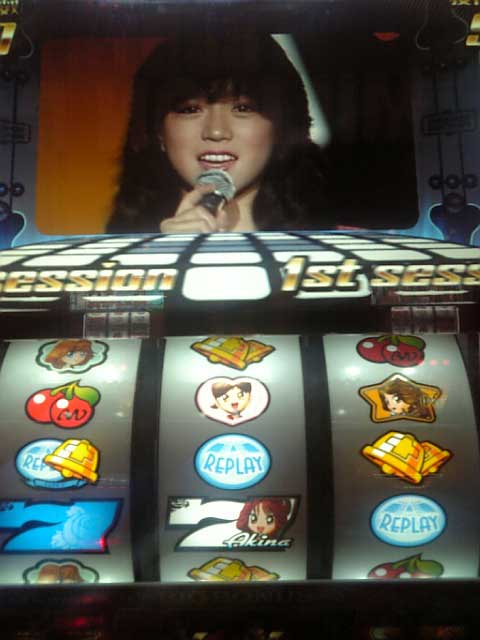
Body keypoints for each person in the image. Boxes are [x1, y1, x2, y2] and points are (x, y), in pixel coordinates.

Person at [107, 33, 333, 233]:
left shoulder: (338, 248)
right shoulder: (121, 256)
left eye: (243, 108)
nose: (216, 131)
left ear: (281, 128)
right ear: (157, 131)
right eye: (190, 110)